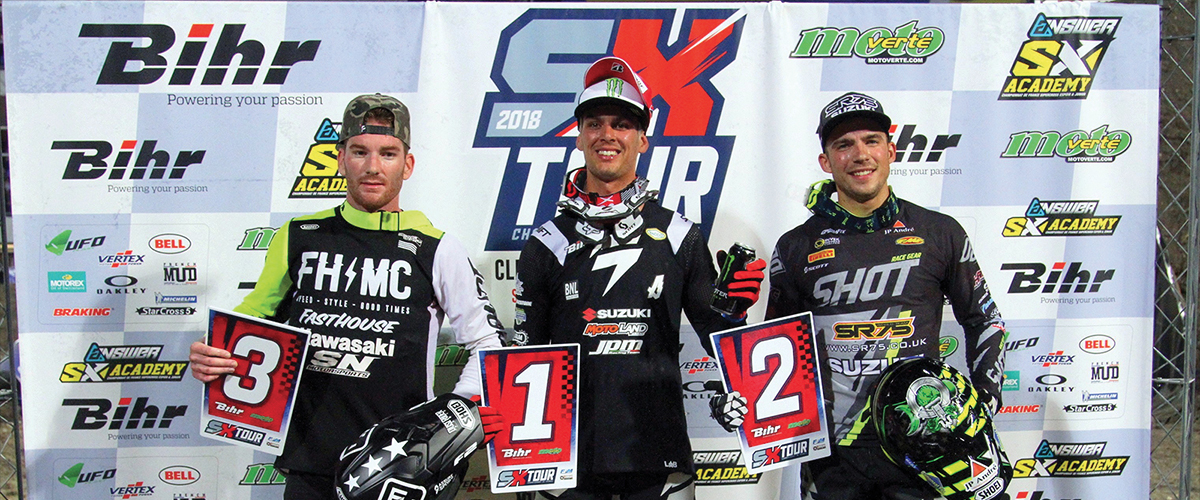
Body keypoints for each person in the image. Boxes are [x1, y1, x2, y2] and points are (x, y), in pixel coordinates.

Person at [189, 94, 506, 500]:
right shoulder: (298, 237)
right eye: (360, 151)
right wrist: (215, 352)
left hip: (402, 473)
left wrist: (451, 423)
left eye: (388, 153)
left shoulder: (437, 247)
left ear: (407, 165)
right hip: (310, 461)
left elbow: (489, 343)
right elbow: (248, 325)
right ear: (340, 159)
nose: (373, 167)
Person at [510, 56, 765, 500]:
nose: (607, 135)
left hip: (653, 453)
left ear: (643, 139)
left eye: (622, 124)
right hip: (564, 458)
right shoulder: (545, 243)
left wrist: (733, 313)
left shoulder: (680, 234)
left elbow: (716, 332)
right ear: (579, 136)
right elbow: (523, 354)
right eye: (595, 123)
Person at [762, 92, 1007, 499]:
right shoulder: (795, 247)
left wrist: (981, 404)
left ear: (891, 151)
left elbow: (986, 321)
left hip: (926, 443)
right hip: (834, 455)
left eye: (871, 140)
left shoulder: (940, 232)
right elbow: (774, 348)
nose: (860, 154)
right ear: (826, 161)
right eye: (844, 144)